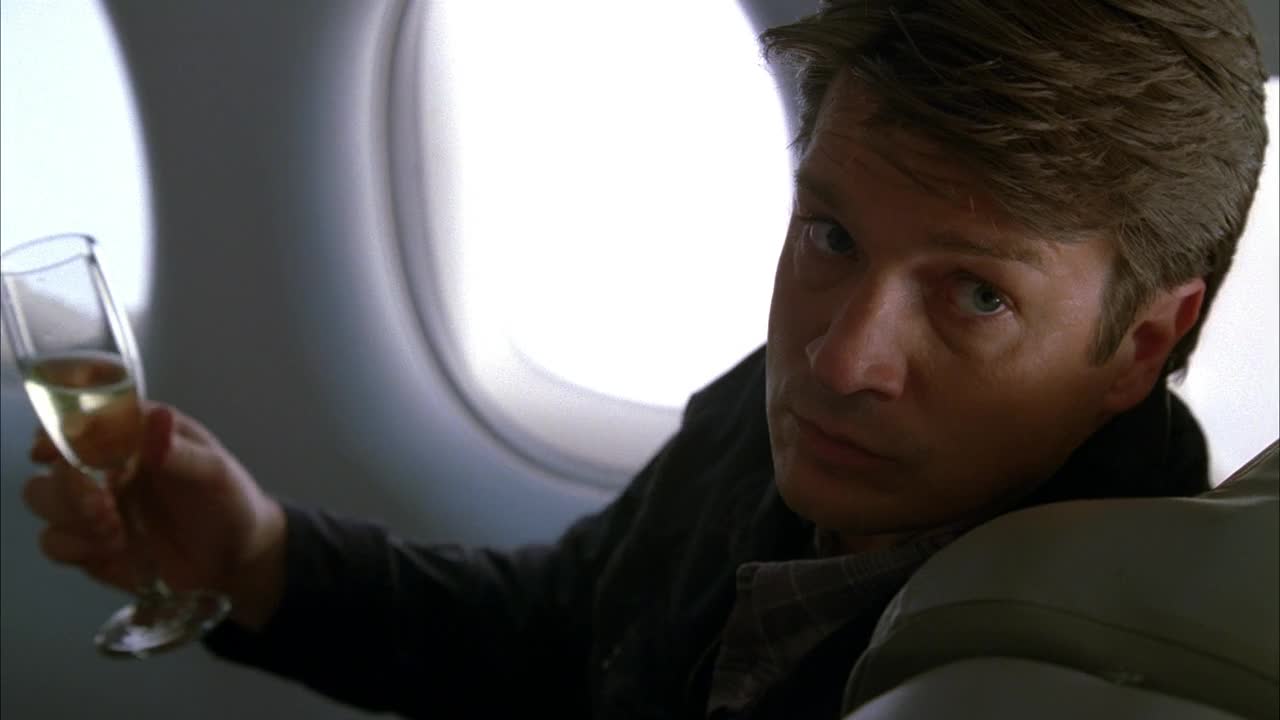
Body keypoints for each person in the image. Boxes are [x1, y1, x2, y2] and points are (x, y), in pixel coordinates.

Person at [21, 1, 1269, 718]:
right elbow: (559, 631)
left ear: (1140, 343)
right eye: (830, 235)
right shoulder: (766, 420)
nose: (838, 357)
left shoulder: (1080, 653)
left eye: (975, 296)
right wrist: (259, 558)